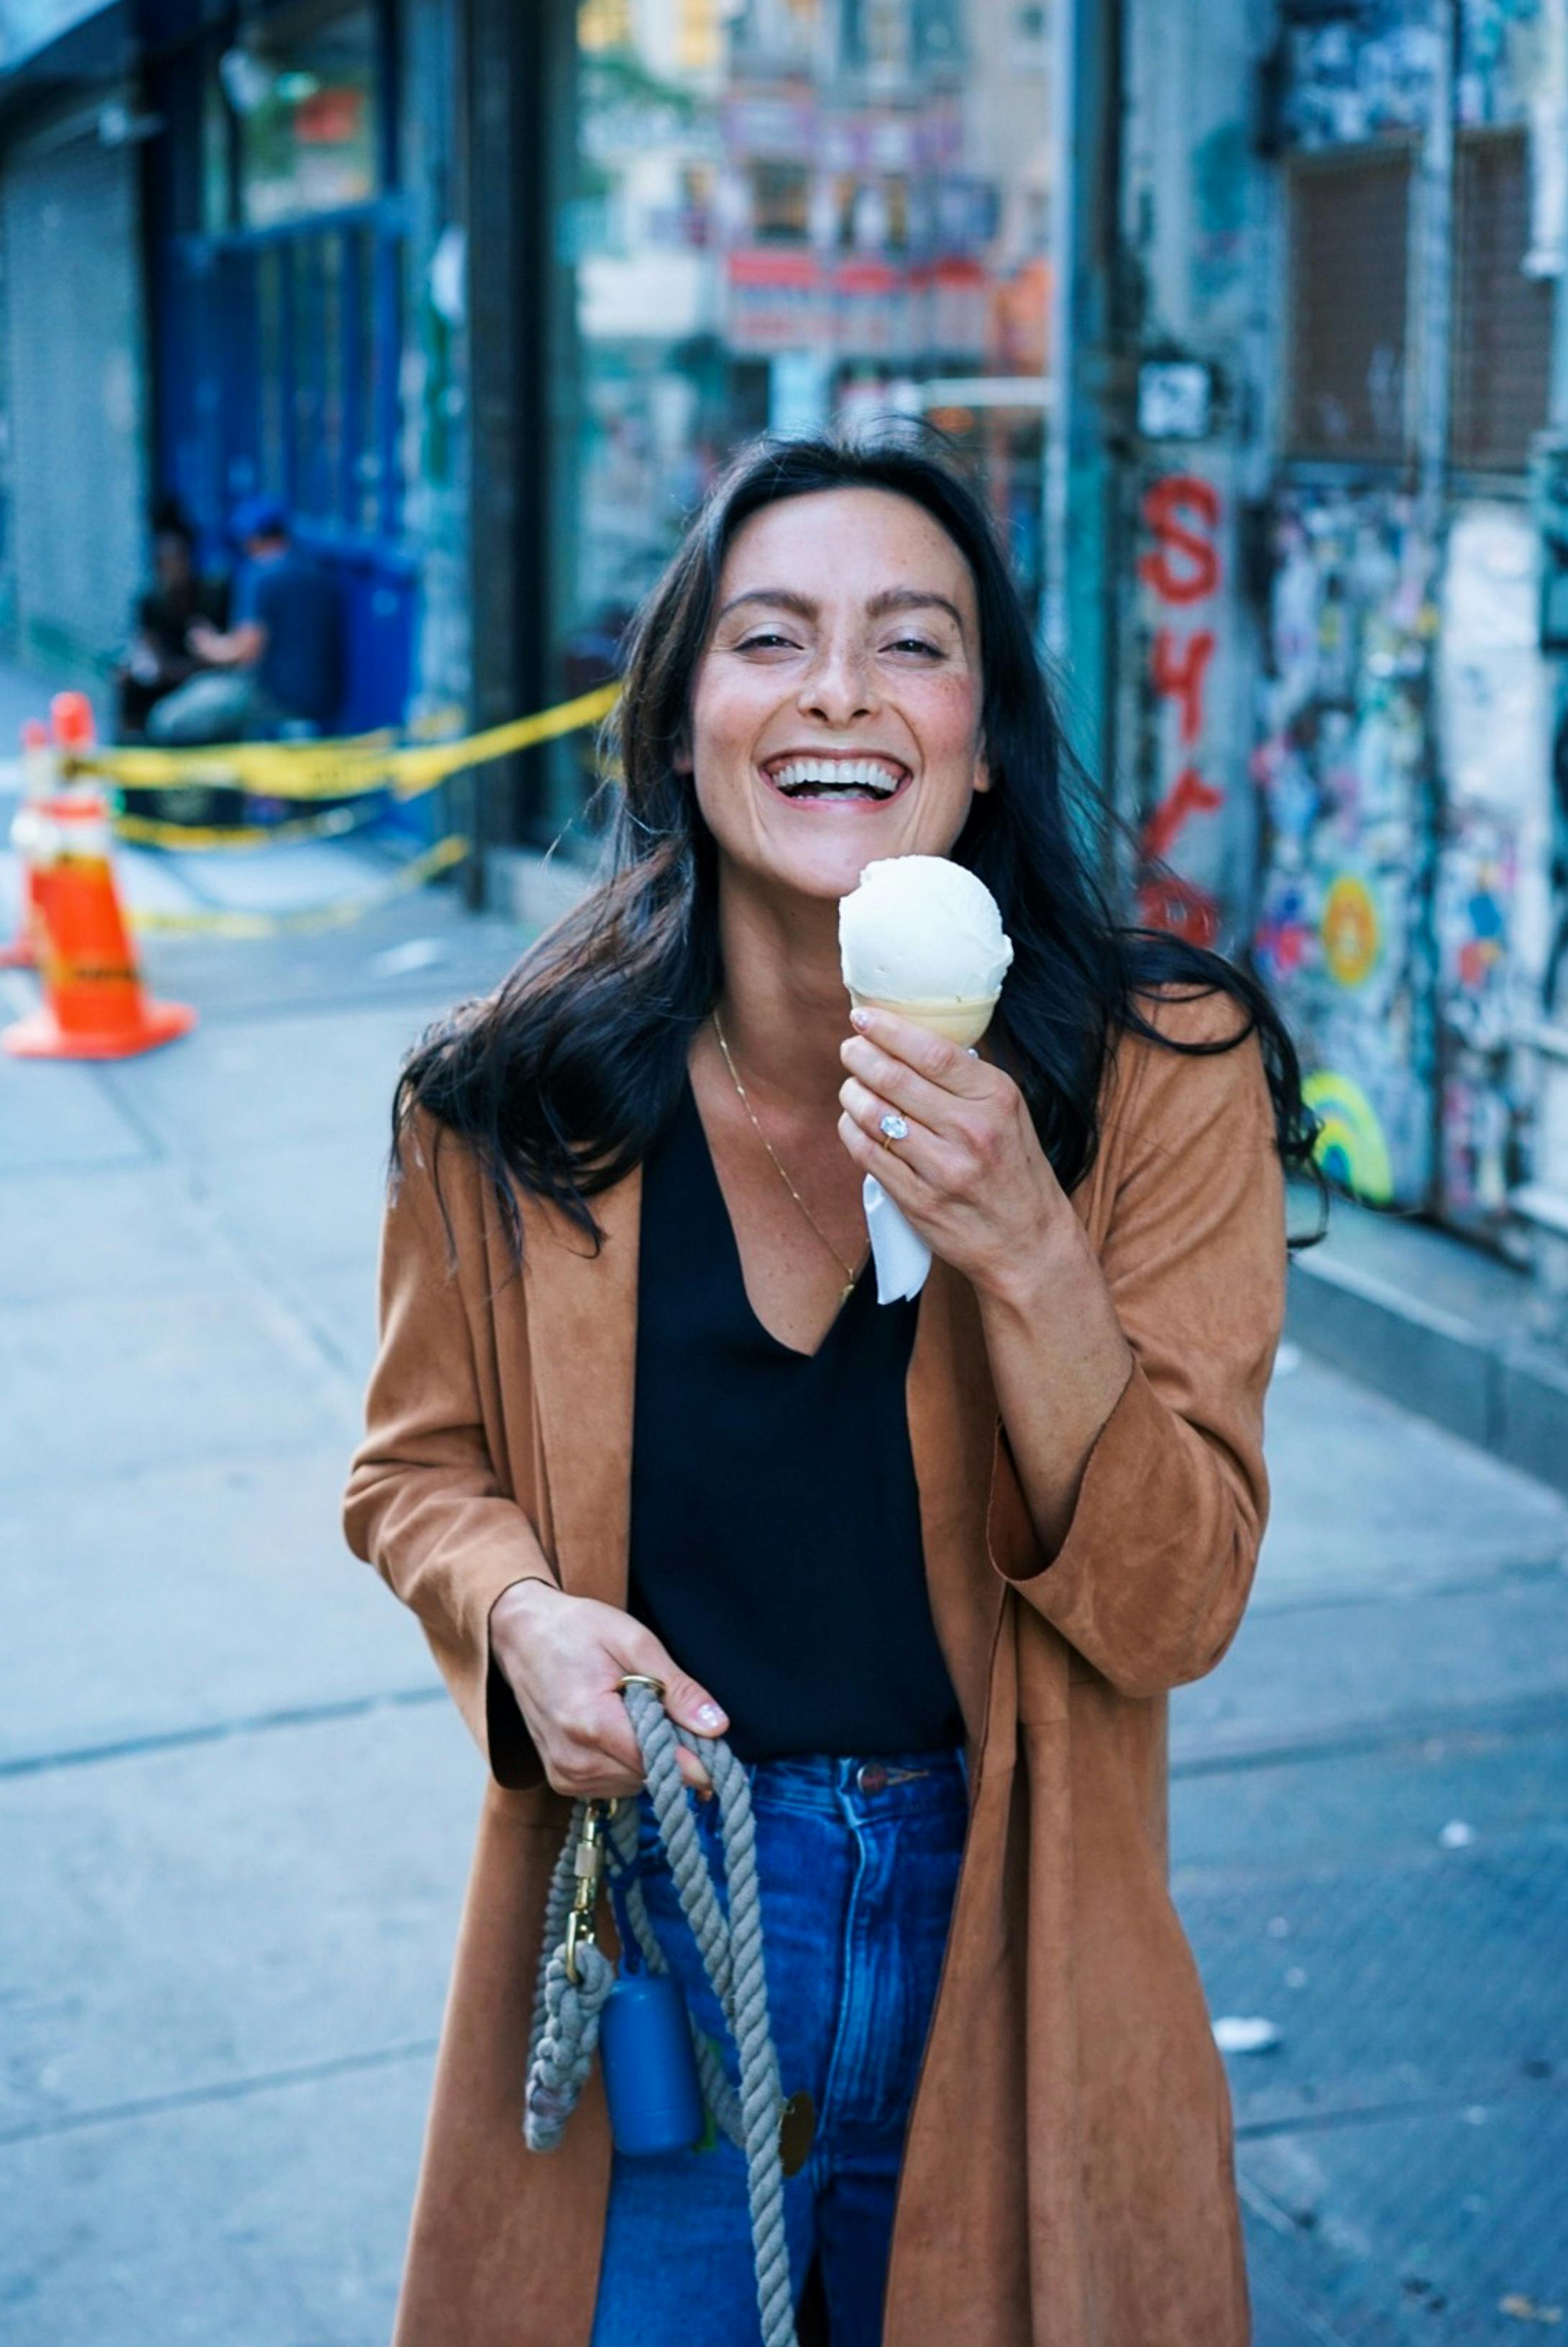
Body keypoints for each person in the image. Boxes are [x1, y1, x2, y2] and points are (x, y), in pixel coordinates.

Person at [344, 429, 1316, 2347]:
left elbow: (1172, 1600)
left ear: (979, 732)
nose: (840, 696)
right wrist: (518, 1618)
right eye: (768, 639)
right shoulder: (512, 1100)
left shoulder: (1154, 1080)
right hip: (662, 1926)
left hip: (1009, 1914)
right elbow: (413, 1474)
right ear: (682, 718)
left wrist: (1026, 1249)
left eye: (912, 643)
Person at [146, 495, 341, 746]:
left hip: (273, 697)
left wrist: (208, 645)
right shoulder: (317, 573)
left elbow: (245, 651)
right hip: (325, 700)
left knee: (168, 720)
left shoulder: (260, 576)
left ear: (253, 539)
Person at [114, 500, 230, 741]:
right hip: (168, 672)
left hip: (204, 675)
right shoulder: (151, 602)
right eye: (167, 564)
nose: (174, 571)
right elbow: (149, 648)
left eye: (179, 561)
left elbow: (222, 650)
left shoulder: (213, 595)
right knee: (127, 682)